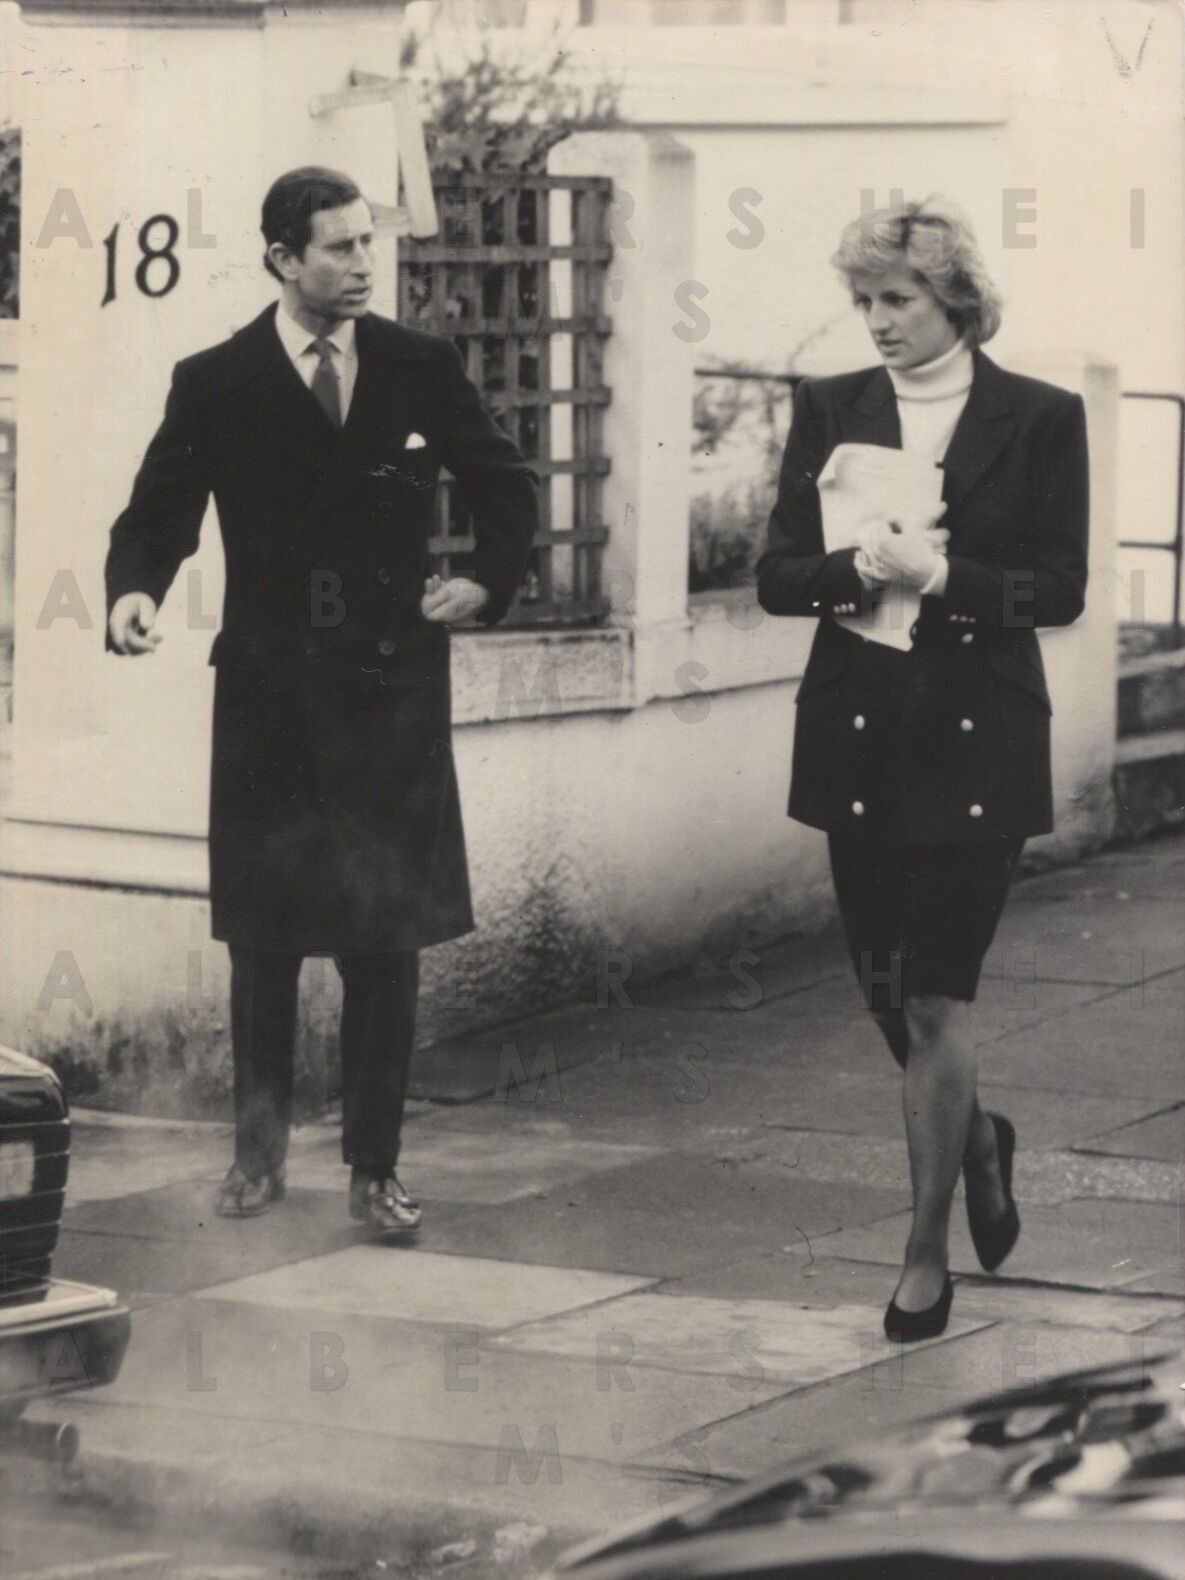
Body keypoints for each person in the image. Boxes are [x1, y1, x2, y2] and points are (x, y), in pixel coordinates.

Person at [106, 167, 538, 1234]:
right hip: (271, 695)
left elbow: (505, 485)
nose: (361, 265)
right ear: (281, 259)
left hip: (391, 696)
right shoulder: (217, 380)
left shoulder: (419, 364)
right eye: (338, 247)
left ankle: (373, 1170)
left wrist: (486, 581)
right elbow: (160, 509)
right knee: (264, 942)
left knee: (384, 944)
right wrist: (133, 590)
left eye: (365, 243)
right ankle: (256, 1162)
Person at [756, 196, 1088, 1341]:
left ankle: (922, 1254)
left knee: (941, 994)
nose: (879, 320)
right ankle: (980, 1142)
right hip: (860, 736)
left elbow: (1061, 588)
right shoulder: (829, 406)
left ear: (956, 299)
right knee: (890, 996)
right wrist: (855, 568)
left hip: (978, 739)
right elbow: (776, 574)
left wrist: (946, 579)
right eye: (866, 300)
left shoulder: (1040, 417)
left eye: (898, 298)